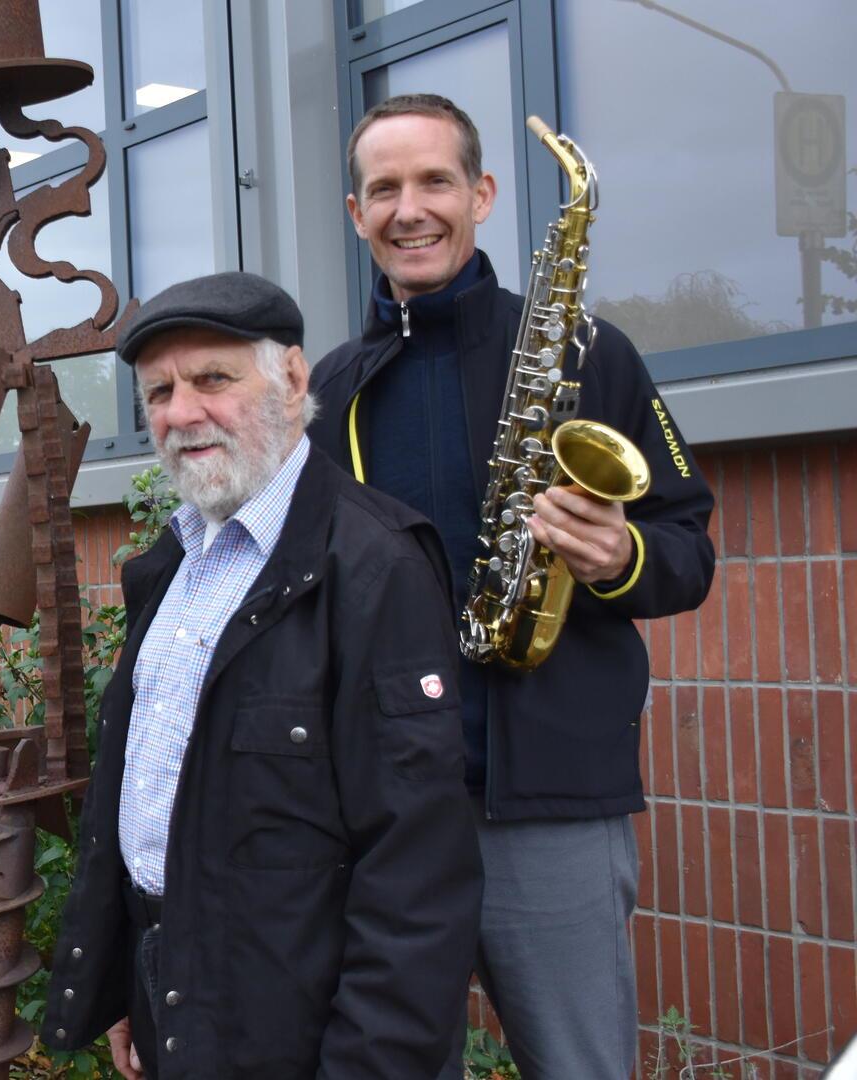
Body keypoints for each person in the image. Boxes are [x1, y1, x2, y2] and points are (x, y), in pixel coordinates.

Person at [309, 94, 716, 1078]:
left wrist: (620, 559)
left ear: (482, 194)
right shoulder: (328, 393)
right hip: (390, 820)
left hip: (553, 813)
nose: (412, 209)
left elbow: (689, 549)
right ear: (355, 212)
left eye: (436, 181)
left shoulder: (588, 353)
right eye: (385, 188)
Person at [39, 272, 482, 1079]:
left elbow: (417, 873)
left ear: (292, 378)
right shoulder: (170, 570)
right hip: (185, 1002)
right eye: (159, 392)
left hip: (310, 1038)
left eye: (213, 379)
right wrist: (133, 988)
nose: (181, 413)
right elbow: (149, 799)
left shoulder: (374, 566)